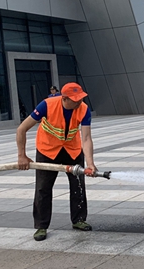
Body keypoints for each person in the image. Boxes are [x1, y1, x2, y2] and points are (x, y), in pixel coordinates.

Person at [16, 82, 97, 241]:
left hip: (72, 150)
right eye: (76, 99)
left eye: (81, 98)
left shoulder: (84, 109)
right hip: (47, 150)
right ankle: (41, 226)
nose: (80, 102)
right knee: (43, 188)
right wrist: (21, 156)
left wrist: (90, 163)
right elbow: (21, 129)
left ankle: (79, 219)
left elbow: (86, 138)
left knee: (78, 185)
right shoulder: (46, 105)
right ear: (64, 98)